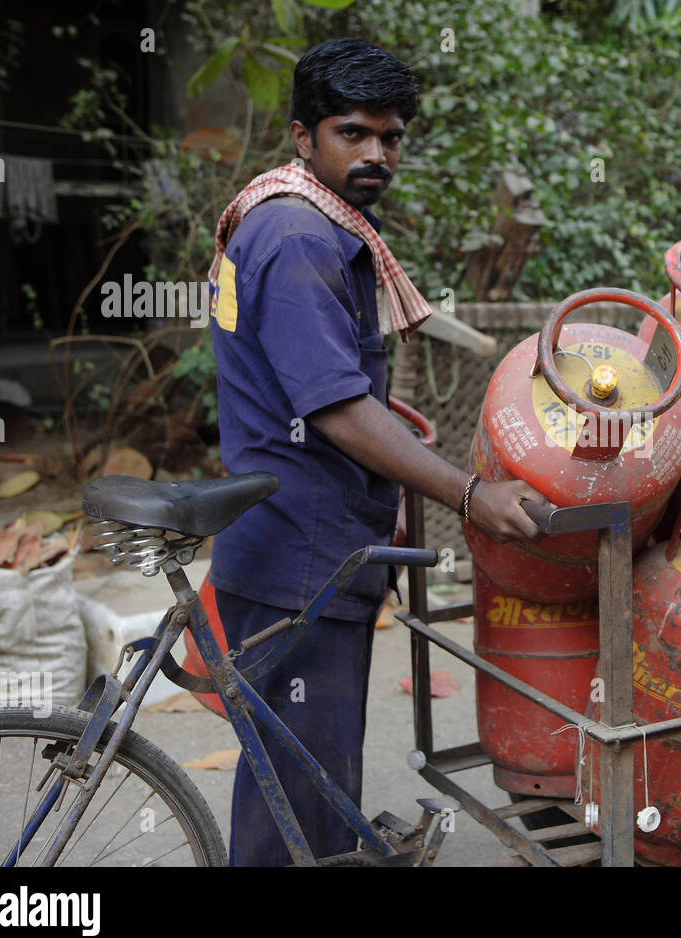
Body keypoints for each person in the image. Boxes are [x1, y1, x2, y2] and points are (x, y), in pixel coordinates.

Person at [206, 37, 548, 866]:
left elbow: (311, 378)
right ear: (302, 136)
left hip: (286, 533)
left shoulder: (294, 217)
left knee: (293, 782)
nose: (375, 155)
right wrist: (470, 494)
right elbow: (333, 407)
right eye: (351, 134)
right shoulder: (298, 236)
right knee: (301, 793)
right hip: (303, 545)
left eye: (390, 138)